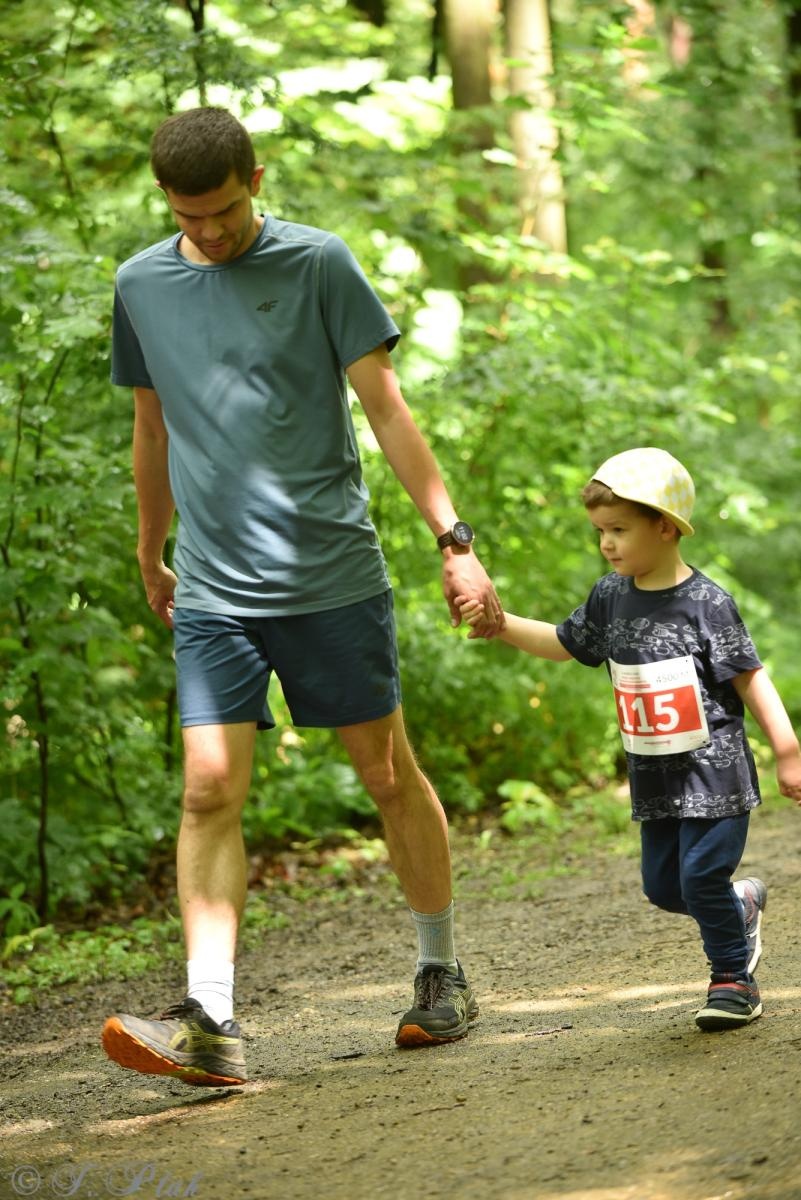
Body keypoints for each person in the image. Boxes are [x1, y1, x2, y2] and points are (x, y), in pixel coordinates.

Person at [101, 106, 504, 1087]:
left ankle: (441, 970)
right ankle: (212, 1019)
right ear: (166, 202)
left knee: (387, 774)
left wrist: (454, 540)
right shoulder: (140, 284)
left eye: (226, 211)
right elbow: (151, 429)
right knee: (208, 788)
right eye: (189, 217)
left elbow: (388, 410)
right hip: (212, 590)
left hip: (329, 577)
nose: (209, 233)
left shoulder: (319, 263)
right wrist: (151, 550)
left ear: (258, 178)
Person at [459, 447, 801, 1032]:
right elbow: (566, 642)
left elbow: (750, 677)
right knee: (665, 887)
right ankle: (740, 906)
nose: (607, 544)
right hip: (655, 775)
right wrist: (501, 623)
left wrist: (788, 754)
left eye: (619, 529)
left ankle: (732, 980)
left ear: (664, 526)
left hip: (715, 772)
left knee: (699, 877)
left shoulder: (707, 604)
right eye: (600, 532)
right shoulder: (611, 596)